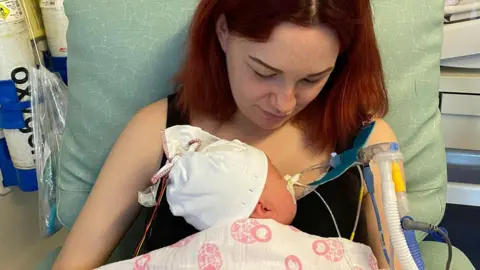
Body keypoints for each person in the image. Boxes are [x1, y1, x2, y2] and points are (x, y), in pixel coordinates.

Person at [53, 0, 402, 269]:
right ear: (222, 33)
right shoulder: (159, 131)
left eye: (312, 79)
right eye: (264, 72)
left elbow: (402, 258)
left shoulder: (371, 145)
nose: (284, 103)